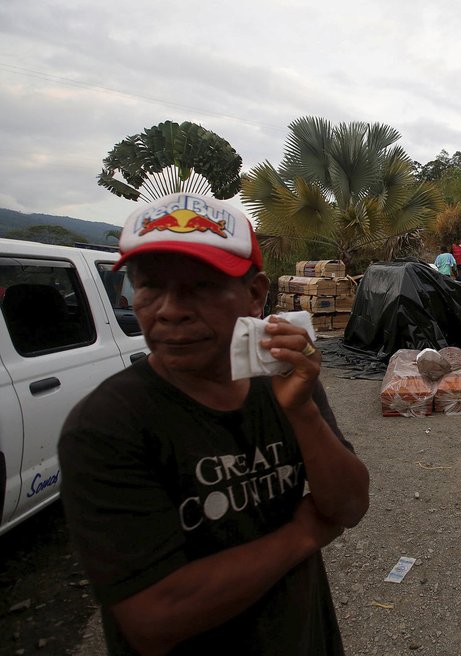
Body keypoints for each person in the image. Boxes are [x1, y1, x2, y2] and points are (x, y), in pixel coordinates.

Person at [58, 193, 370, 655]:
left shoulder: (283, 379)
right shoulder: (107, 426)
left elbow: (348, 506)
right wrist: (302, 533)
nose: (168, 310)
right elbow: (153, 617)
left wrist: (302, 411)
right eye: (148, 287)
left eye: (199, 286)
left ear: (255, 294)